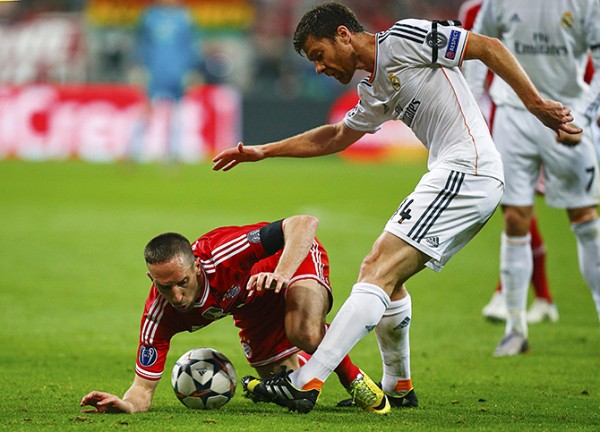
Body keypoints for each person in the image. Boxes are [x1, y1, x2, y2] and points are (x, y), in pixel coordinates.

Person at [212, 2, 578, 414]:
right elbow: (335, 135)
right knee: (391, 280)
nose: (319, 68)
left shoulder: (404, 38)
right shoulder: (373, 88)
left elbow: (488, 47)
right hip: (454, 173)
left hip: (467, 169)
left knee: (375, 270)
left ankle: (306, 380)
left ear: (343, 35)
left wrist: (535, 104)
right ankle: (398, 385)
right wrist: (264, 150)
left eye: (319, 55)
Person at [79, 215, 391, 414]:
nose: (175, 296)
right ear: (151, 281)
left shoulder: (222, 254)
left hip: (291, 259)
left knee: (305, 333)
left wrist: (282, 273)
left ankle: (355, 380)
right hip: (252, 304)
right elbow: (142, 390)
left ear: (197, 268)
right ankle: (306, 371)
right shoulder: (159, 316)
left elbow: (303, 223)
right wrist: (125, 405)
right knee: (286, 389)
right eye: (164, 287)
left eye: (182, 283)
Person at [464, 0, 600, 357]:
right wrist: (472, 112)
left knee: (584, 218)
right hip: (514, 114)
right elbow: (477, 46)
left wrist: (583, 117)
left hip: (569, 112)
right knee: (513, 218)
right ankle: (514, 328)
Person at [459, 0, 559, 325]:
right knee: (515, 206)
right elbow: (473, 75)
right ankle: (538, 298)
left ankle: (514, 295)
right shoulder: (474, 10)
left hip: (526, 112)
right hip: (494, 113)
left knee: (519, 205)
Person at [129, 0, 201, 162]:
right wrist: (140, 68)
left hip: (177, 72)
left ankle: (172, 155)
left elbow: (191, 46)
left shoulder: (185, 18)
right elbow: (141, 45)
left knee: (175, 114)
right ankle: (134, 151)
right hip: (154, 71)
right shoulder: (149, 17)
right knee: (146, 110)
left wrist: (191, 70)